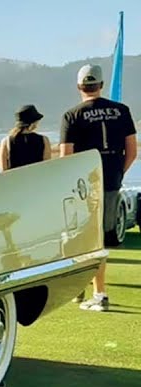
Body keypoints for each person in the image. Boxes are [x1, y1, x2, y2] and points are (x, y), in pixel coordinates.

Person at [60, 63, 137, 312]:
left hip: (84, 185)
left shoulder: (72, 115)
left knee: (83, 240)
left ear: (79, 86)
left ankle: (96, 292)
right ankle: (92, 290)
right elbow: (132, 151)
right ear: (101, 85)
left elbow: (67, 158)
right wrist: (116, 174)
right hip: (111, 182)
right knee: (101, 239)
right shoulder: (122, 110)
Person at [0, 105, 51, 171]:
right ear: (33, 122)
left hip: (14, 180)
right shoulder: (44, 140)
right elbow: (46, 168)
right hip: (37, 179)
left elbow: (3, 170)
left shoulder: (6, 141)